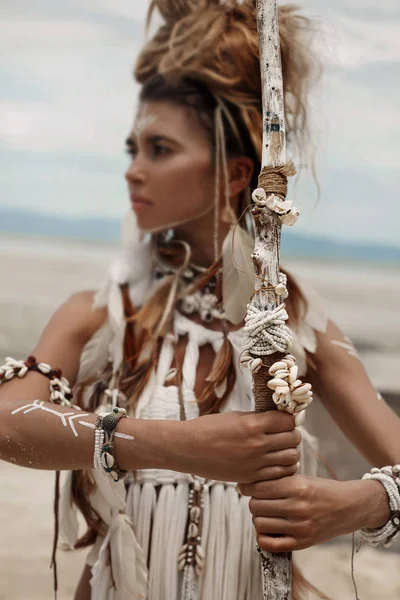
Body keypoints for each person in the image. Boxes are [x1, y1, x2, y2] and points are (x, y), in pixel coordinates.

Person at [0, 2, 399, 599]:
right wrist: (177, 445)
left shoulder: (294, 323)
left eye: (159, 150)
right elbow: (9, 424)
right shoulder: (102, 310)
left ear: (236, 173)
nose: (134, 171)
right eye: (132, 150)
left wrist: (361, 504)